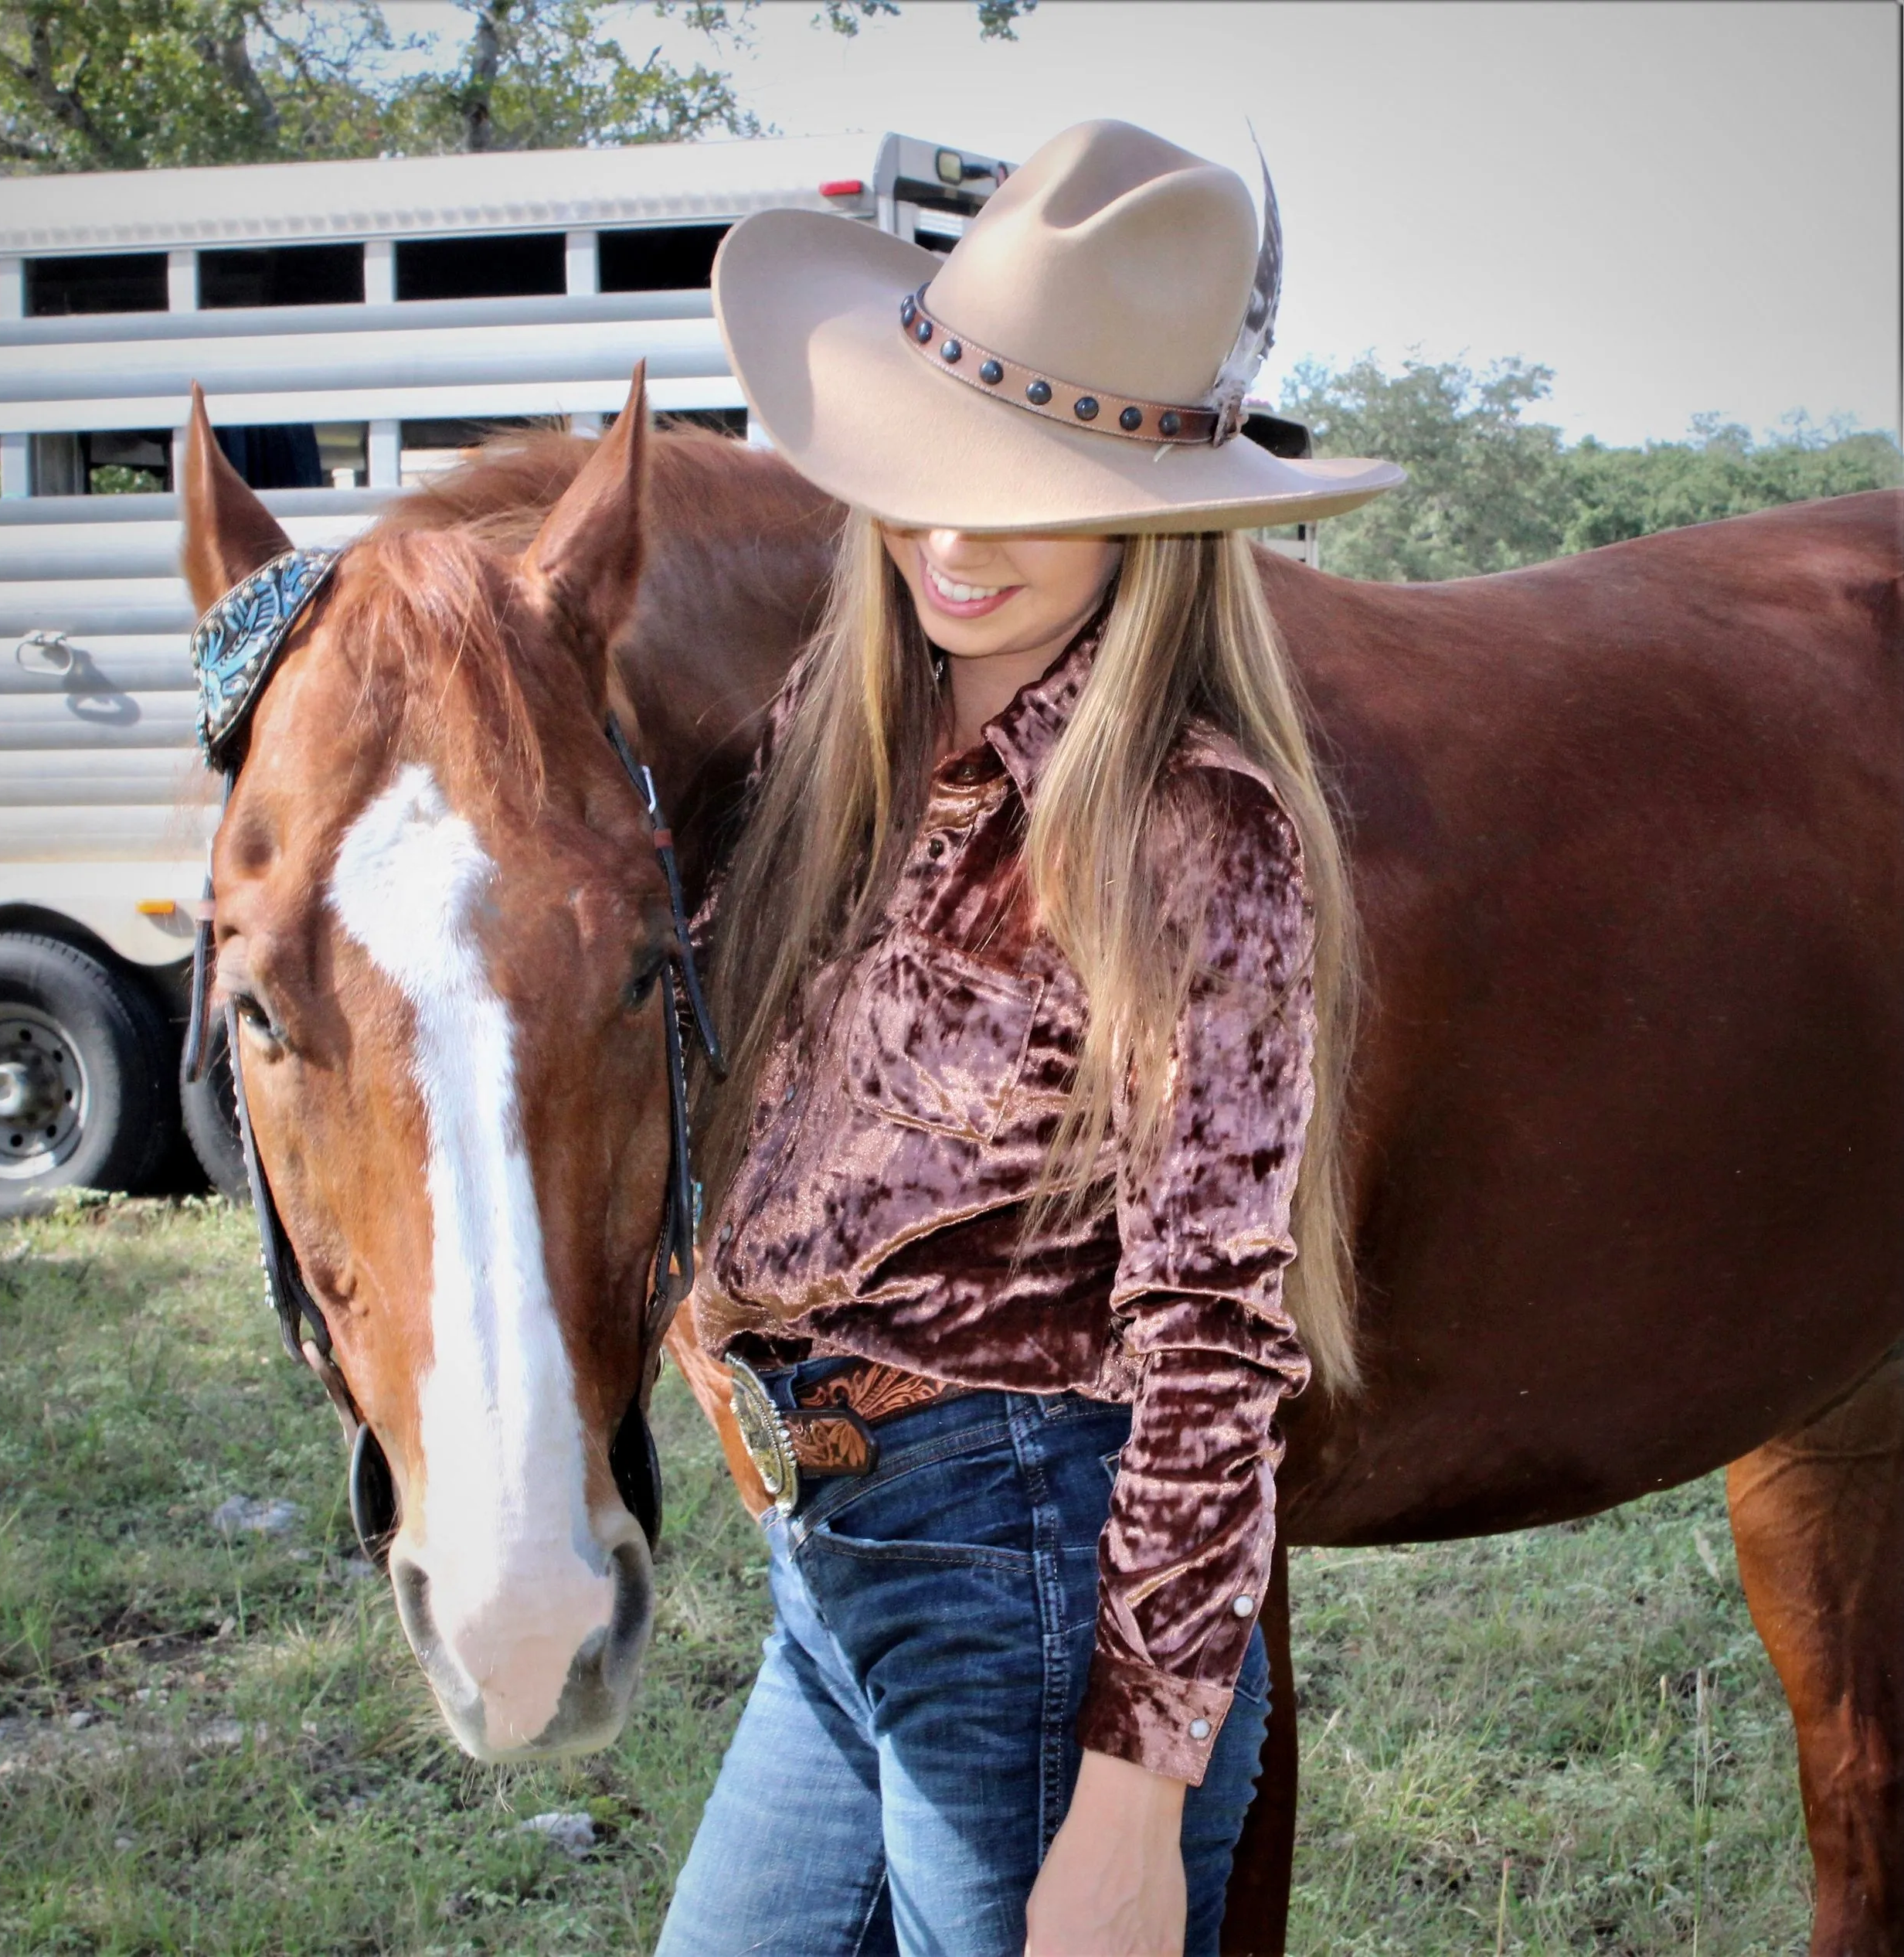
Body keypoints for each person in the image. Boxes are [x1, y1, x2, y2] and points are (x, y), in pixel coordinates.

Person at [656, 120, 1400, 1957]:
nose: (959, 534)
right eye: (927, 469)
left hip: (1034, 1565)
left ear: (1157, 510)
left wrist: (1132, 1806)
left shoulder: (1180, 824)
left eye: (1035, 484)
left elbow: (1217, 1342)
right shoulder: (844, 748)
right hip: (838, 1560)